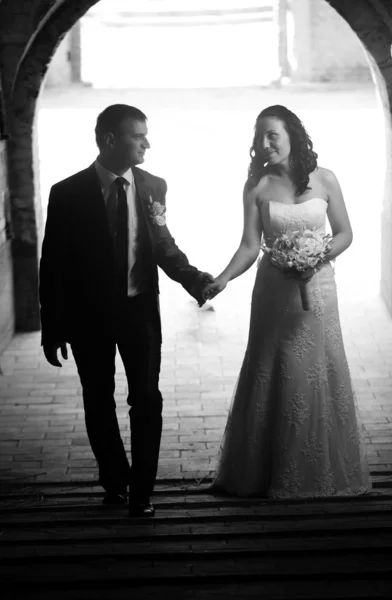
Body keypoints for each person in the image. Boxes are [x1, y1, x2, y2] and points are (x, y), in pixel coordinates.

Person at [39, 104, 213, 517]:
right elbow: (53, 264)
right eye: (138, 136)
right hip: (88, 318)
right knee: (98, 400)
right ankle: (114, 480)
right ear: (110, 140)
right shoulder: (67, 193)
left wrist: (195, 280)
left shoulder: (154, 185)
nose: (146, 143)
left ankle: (142, 491)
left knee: (147, 401)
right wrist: (52, 326)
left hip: (139, 313)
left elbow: (163, 245)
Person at [203, 105, 370, 499]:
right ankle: (264, 471)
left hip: (319, 291)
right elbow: (248, 246)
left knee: (316, 370)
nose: (264, 144)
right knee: (273, 370)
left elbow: (345, 233)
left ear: (292, 133)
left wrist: (318, 256)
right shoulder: (256, 187)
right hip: (273, 295)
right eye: (259, 136)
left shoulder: (325, 179)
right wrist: (222, 278)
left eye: (271, 135)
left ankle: (317, 471)